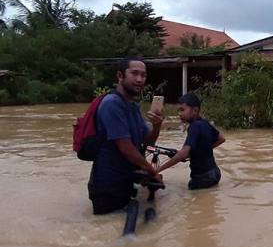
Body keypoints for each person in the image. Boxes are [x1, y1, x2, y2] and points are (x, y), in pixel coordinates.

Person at [88, 58, 164, 215]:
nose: (139, 79)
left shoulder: (133, 106)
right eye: (134, 74)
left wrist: (157, 126)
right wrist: (152, 171)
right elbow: (126, 147)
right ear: (120, 76)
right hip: (108, 185)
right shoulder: (112, 104)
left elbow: (147, 142)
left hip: (127, 181)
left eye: (143, 75)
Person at [157, 93, 225, 189]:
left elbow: (183, 154)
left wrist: (158, 170)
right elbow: (221, 138)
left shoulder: (194, 127)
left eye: (182, 110)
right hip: (215, 173)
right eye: (178, 110)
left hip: (202, 178)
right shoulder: (205, 123)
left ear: (195, 110)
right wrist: (197, 152)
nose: (179, 113)